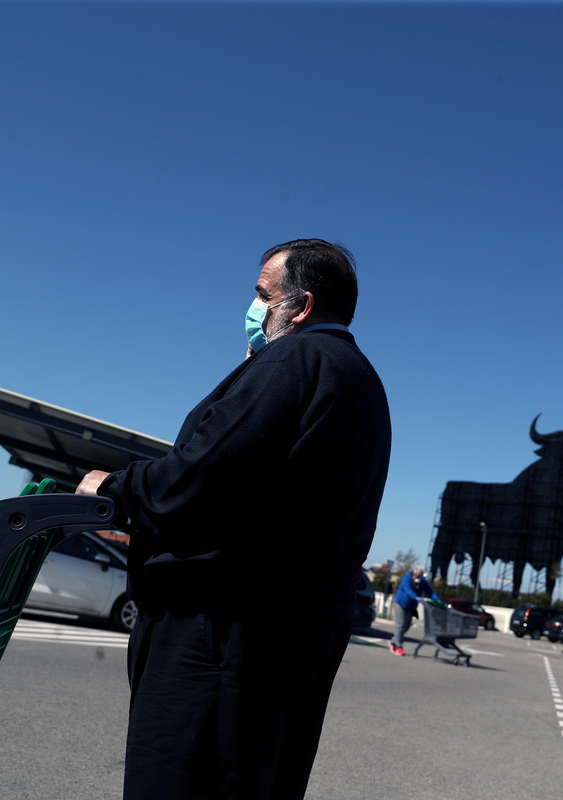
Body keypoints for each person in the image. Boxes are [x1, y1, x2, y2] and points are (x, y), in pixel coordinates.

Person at [75, 238, 391, 800]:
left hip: (222, 627)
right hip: (296, 629)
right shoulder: (358, 377)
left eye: (263, 295)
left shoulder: (296, 360)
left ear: (301, 307)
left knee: (181, 778)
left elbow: (203, 476)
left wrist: (115, 487)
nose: (253, 308)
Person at [391, 565, 441, 655]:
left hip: (411, 606)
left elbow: (430, 592)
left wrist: (438, 601)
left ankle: (393, 641)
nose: (418, 577)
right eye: (417, 575)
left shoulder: (422, 581)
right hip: (401, 603)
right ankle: (399, 646)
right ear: (413, 573)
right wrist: (416, 597)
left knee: (406, 626)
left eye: (420, 575)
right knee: (400, 625)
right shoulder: (406, 578)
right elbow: (408, 590)